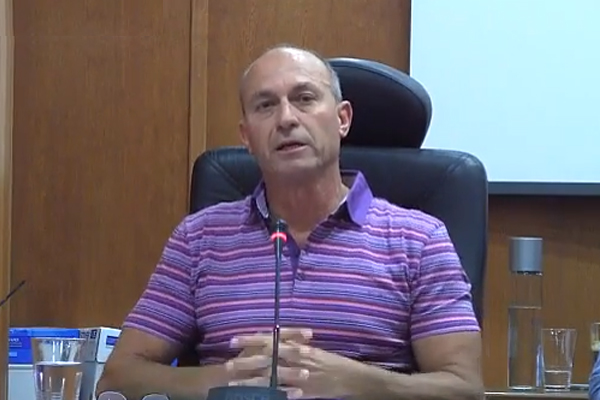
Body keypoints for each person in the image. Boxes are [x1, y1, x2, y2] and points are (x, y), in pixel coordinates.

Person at [96, 44, 484, 400]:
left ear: (342, 119)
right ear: (247, 137)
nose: (286, 118)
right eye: (266, 105)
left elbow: (464, 390)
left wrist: (358, 383)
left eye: (304, 99)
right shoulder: (199, 238)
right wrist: (224, 381)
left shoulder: (419, 240)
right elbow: (119, 378)